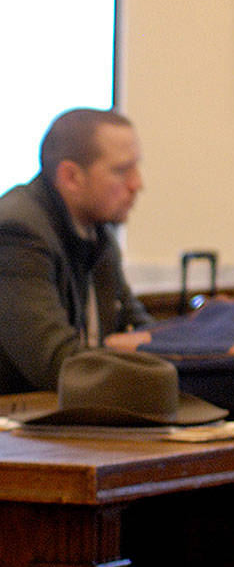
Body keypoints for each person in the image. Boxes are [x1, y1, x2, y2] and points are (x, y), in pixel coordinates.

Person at [0, 108, 151, 394]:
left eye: (136, 167)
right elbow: (56, 364)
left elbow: (142, 330)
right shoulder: (17, 232)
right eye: (122, 170)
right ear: (70, 177)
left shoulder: (98, 233)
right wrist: (125, 350)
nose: (137, 184)